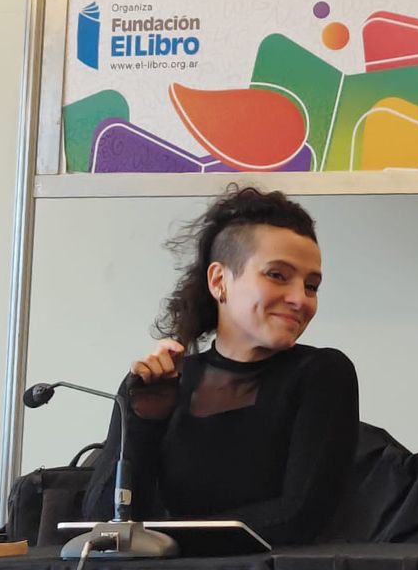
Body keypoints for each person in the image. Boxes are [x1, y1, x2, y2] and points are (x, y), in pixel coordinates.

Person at [83, 186, 359, 545]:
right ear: (219, 281)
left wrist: (161, 541)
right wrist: (143, 423)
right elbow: (104, 524)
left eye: (311, 285)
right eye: (277, 275)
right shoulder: (159, 381)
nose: (299, 299)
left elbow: (300, 517)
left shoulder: (323, 373)